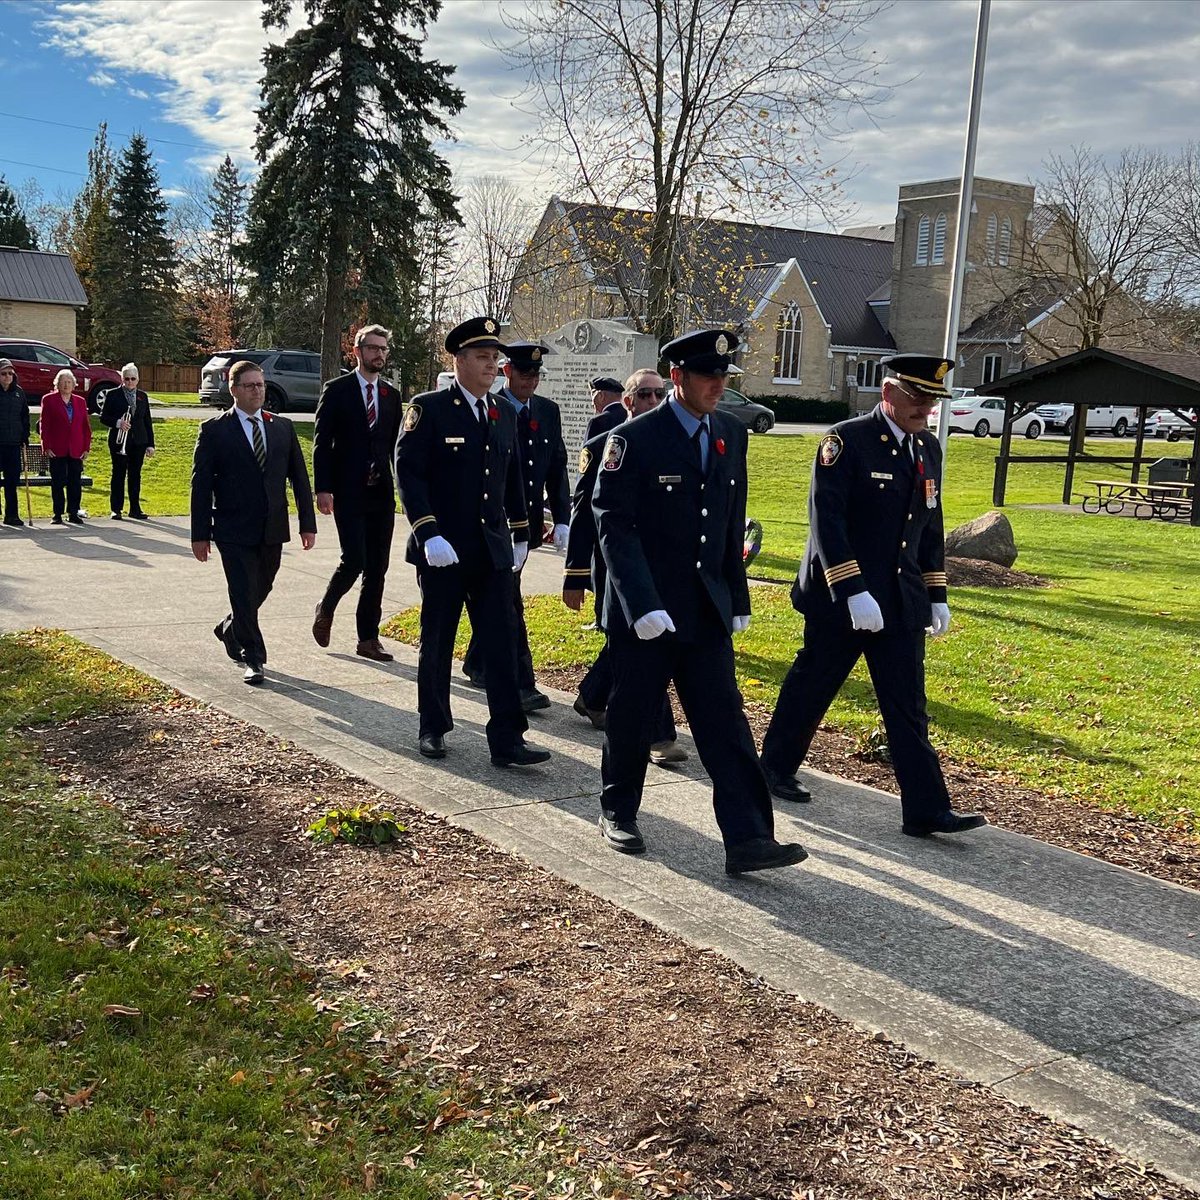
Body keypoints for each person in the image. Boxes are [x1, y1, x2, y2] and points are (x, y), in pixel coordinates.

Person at [591, 329, 808, 876]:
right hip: (647, 611)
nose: (718, 386)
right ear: (679, 378)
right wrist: (639, 602)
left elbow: (731, 518)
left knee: (724, 723)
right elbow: (614, 523)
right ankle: (618, 810)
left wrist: (735, 593)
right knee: (634, 714)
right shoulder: (634, 438)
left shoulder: (731, 433)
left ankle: (750, 838)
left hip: (704, 607)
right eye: (708, 376)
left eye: (725, 377)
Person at [758, 353, 987, 839]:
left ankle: (925, 807)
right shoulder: (847, 441)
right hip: (842, 597)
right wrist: (853, 591)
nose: (925, 408)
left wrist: (937, 592)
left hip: (900, 600)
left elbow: (929, 526)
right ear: (888, 393)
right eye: (917, 398)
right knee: (813, 684)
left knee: (908, 702)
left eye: (932, 400)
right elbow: (828, 521)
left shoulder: (928, 449)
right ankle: (773, 767)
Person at [395, 316, 551, 768]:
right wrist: (427, 531)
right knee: (438, 639)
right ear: (458, 360)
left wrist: (521, 529)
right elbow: (408, 475)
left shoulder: (501, 411)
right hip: (443, 549)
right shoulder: (428, 409)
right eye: (482, 357)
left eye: (495, 358)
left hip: (491, 549)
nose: (492, 365)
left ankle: (508, 738)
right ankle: (433, 727)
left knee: (501, 643)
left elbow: (512, 476)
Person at [563, 368, 686, 766]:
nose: (653, 401)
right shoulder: (604, 446)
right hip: (616, 569)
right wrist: (575, 575)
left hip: (664, 569)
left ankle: (593, 696)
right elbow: (584, 513)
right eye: (644, 395)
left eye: (658, 394)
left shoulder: (675, 444)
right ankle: (660, 735)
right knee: (642, 646)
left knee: (633, 645)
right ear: (628, 402)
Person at [190, 360, 317, 686]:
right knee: (243, 591)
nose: (257, 390)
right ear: (233, 390)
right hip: (233, 529)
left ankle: (231, 628)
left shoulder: (281, 427)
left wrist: (307, 523)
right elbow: (201, 485)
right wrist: (200, 534)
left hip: (272, 526)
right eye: (250, 385)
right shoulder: (215, 431)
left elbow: (299, 479)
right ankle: (254, 657)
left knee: (264, 584)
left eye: (260, 384)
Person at [462, 341, 570, 711]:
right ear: (508, 372)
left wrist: (563, 518)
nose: (532, 380)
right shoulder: (494, 408)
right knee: (508, 603)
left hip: (527, 526)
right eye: (525, 373)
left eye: (537, 374)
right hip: (498, 523)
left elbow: (556, 465)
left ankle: (478, 662)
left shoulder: (548, 411)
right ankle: (522, 683)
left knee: (504, 595)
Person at [311, 324, 403, 661]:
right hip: (348, 491)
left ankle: (368, 638)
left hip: (380, 492)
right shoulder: (337, 390)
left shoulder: (391, 396)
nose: (379, 354)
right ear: (357, 351)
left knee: (378, 567)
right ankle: (326, 605)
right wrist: (323, 488)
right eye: (373, 348)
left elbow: (397, 447)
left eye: (383, 349)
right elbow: (322, 443)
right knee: (355, 559)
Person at [99, 363, 154, 520]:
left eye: (133, 379)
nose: (129, 382)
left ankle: (135, 509)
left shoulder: (142, 396)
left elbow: (147, 421)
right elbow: (103, 417)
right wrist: (118, 423)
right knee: (118, 474)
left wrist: (150, 444)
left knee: (135, 476)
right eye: (126, 379)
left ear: (138, 379)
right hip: (119, 441)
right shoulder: (112, 394)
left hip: (139, 441)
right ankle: (116, 509)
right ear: (122, 379)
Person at [38, 369, 91, 525]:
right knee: (58, 482)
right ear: (57, 384)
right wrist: (46, 446)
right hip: (57, 448)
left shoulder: (80, 401)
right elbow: (44, 425)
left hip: (76, 448)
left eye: (69, 382)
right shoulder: (49, 400)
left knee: (75, 483)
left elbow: (85, 427)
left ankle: (73, 512)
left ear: (74, 385)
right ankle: (57, 514)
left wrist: (86, 447)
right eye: (63, 382)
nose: (66, 385)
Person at [0, 358, 30, 528]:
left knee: (12, 480)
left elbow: (25, 416)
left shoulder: (19, 392)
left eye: (10, 373)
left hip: (13, 444)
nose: (7, 377)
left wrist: (24, 435)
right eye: (3, 373)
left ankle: (12, 514)